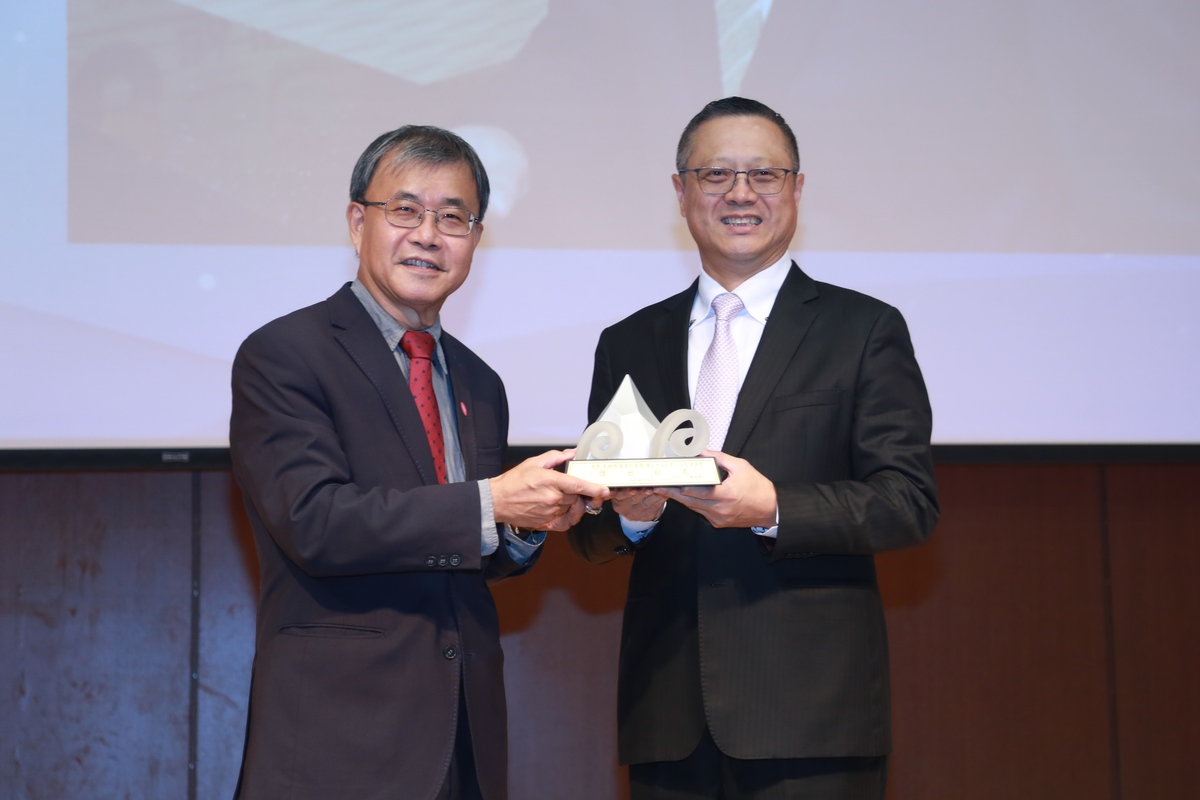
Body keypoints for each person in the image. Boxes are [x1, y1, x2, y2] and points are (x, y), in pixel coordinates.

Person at [568, 98, 939, 799]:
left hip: (812, 720)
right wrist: (632, 516)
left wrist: (773, 507)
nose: (740, 193)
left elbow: (908, 503)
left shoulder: (863, 330)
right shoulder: (628, 341)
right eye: (715, 174)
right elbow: (590, 536)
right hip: (667, 720)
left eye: (764, 175)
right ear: (680, 192)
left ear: (797, 188)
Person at [230, 125, 609, 800]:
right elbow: (315, 522)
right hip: (335, 739)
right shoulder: (285, 354)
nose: (429, 235)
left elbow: (464, 553)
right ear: (357, 222)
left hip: (463, 739)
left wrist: (527, 523)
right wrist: (493, 503)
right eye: (404, 211)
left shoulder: (479, 381)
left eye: (453, 217)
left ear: (476, 239)